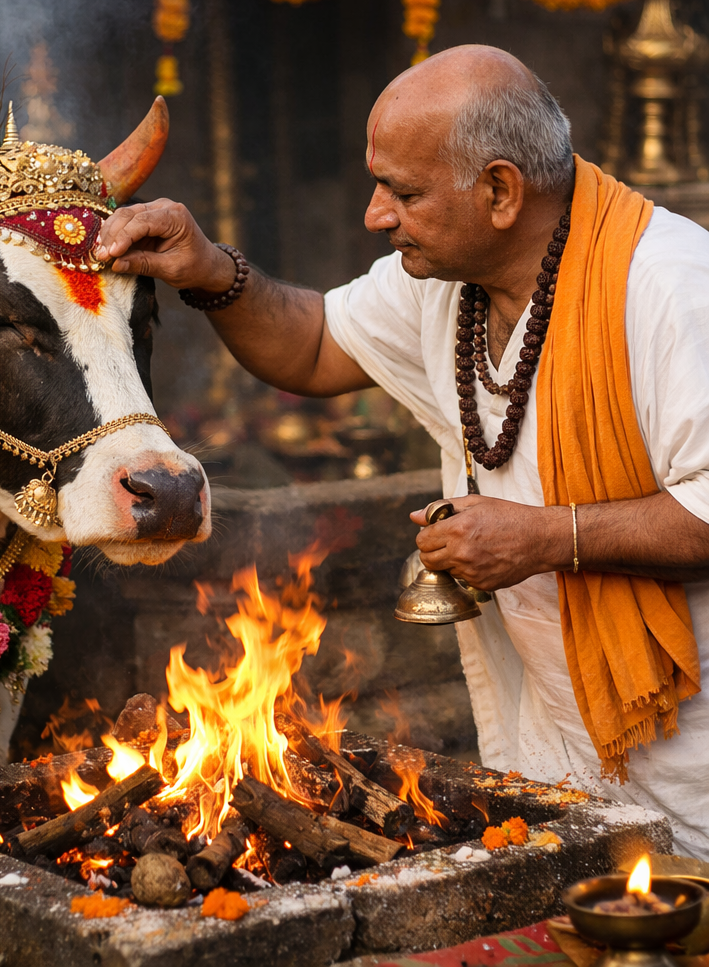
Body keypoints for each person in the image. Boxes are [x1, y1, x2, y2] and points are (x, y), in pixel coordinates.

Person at [94, 44, 709, 859]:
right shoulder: (443, 282)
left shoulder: (672, 287)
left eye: (403, 192)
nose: (375, 216)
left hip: (687, 744)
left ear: (499, 190)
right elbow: (313, 344)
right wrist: (208, 271)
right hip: (558, 737)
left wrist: (545, 537)